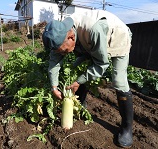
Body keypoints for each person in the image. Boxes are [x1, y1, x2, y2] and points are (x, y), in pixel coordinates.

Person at [42, 9, 133, 148]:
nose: (63, 54)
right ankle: (81, 105)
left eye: (64, 51)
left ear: (71, 37)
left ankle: (127, 129)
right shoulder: (59, 36)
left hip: (116, 38)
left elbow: (101, 64)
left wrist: (79, 80)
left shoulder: (93, 30)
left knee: (119, 81)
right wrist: (54, 86)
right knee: (76, 66)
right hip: (90, 43)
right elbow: (54, 62)